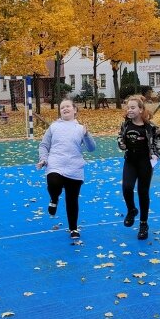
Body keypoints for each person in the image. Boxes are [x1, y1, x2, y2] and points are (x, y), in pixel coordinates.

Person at [37, 98, 96, 240]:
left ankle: (73, 228)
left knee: (72, 199)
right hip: (55, 163)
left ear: (75, 110)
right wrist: (43, 159)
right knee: (53, 183)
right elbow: (44, 145)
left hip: (75, 167)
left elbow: (91, 148)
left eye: (68, 106)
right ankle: (54, 199)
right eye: (62, 107)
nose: (65, 109)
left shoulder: (81, 129)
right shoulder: (54, 127)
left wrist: (87, 135)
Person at [117, 95, 160, 240]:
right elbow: (120, 137)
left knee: (143, 192)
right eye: (128, 107)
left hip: (145, 162)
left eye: (132, 107)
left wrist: (155, 154)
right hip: (130, 160)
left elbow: (158, 141)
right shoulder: (125, 124)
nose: (129, 110)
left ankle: (143, 224)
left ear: (141, 109)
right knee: (127, 187)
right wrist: (121, 144)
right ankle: (132, 210)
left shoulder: (150, 127)